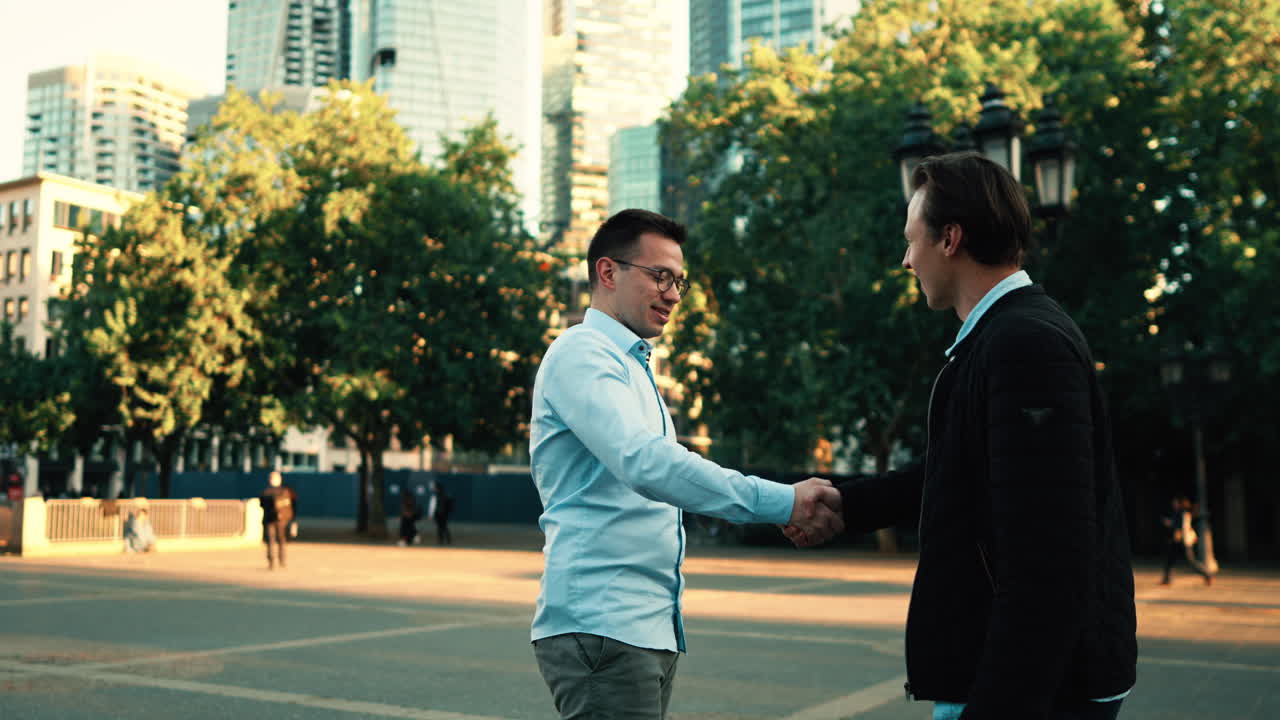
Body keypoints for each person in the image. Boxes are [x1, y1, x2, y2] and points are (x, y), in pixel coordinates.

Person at [788, 153, 1137, 719]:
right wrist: (846, 504)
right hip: (1011, 678)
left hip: (1038, 692)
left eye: (911, 240)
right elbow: (954, 473)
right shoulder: (1000, 338)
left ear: (950, 238)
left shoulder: (1026, 345)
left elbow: (1049, 562)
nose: (906, 260)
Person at [529, 208, 844, 720]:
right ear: (607, 272)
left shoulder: (631, 366)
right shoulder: (582, 353)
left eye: (680, 281)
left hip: (642, 626)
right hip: (604, 624)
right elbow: (648, 463)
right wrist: (782, 501)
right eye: (660, 277)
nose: (674, 295)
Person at [1161, 494, 1211, 585]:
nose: (1174, 504)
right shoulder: (1181, 513)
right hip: (1180, 540)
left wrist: (1169, 524)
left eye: (1175, 502)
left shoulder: (1182, 513)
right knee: (1170, 560)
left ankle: (1206, 574)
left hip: (1183, 541)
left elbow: (1181, 527)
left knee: (1191, 561)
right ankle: (1166, 579)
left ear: (1179, 503)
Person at [259, 470, 296, 570]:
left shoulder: (266, 492)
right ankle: (282, 560)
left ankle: (271, 561)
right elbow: (290, 506)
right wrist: (290, 518)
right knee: (281, 539)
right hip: (281, 520)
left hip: (269, 519)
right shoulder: (285, 491)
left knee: (271, 540)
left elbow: (261, 505)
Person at [428, 481, 453, 545]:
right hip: (444, 514)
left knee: (440, 527)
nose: (434, 489)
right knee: (443, 527)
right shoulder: (445, 494)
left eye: (435, 488)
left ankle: (441, 540)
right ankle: (447, 539)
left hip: (439, 514)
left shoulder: (436, 495)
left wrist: (431, 515)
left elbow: (433, 506)